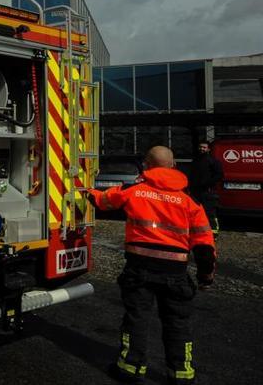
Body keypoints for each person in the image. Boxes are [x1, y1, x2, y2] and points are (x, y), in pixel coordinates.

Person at [88, 146, 216, 384]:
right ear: (174, 166)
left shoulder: (134, 191)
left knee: (137, 318)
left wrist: (85, 191)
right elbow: (205, 247)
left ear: (146, 165)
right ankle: (181, 374)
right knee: (177, 323)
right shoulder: (190, 202)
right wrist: (205, 277)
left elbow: (103, 201)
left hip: (139, 271)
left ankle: (130, 368)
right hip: (175, 274)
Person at [188, 141, 223, 235]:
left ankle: (213, 233)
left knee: (209, 214)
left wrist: (207, 184)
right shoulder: (195, 161)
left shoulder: (213, 161)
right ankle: (198, 232)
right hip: (195, 192)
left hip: (208, 192)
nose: (201, 149)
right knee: (195, 213)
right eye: (200, 147)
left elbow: (219, 175)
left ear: (208, 149)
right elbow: (191, 175)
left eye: (204, 147)